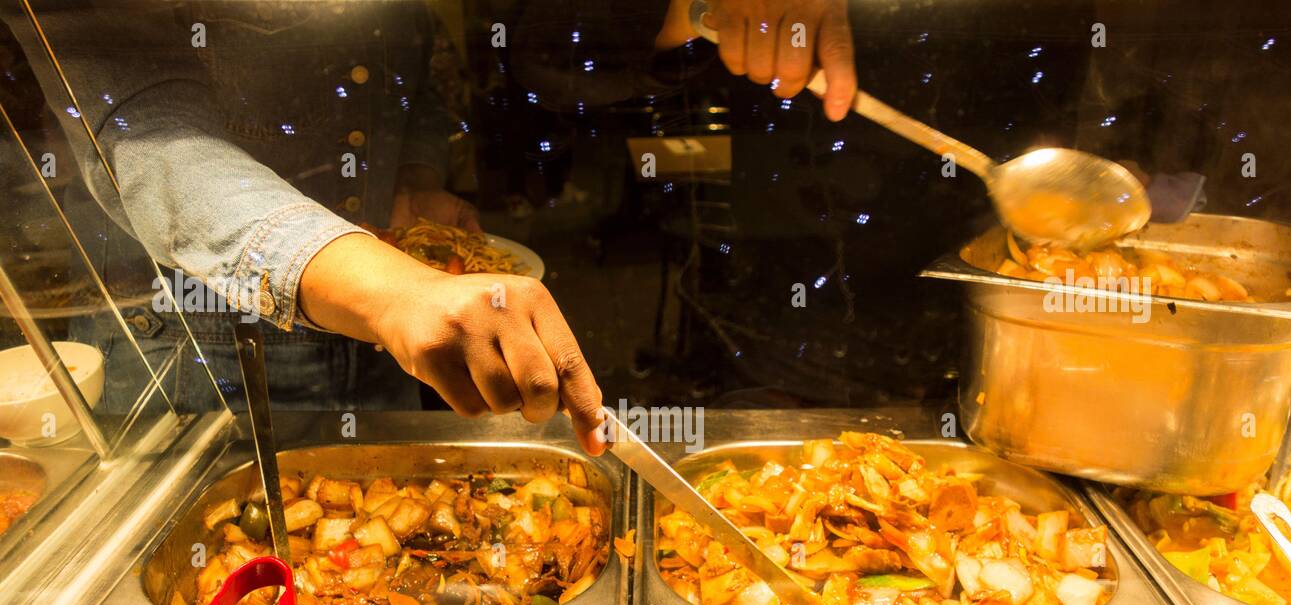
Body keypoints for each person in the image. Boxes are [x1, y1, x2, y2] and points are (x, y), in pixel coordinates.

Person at [8, 0, 856, 455]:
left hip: (380, 332)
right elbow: (153, 145)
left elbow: (396, 52)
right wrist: (396, 288)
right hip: (197, 354)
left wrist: (410, 185)